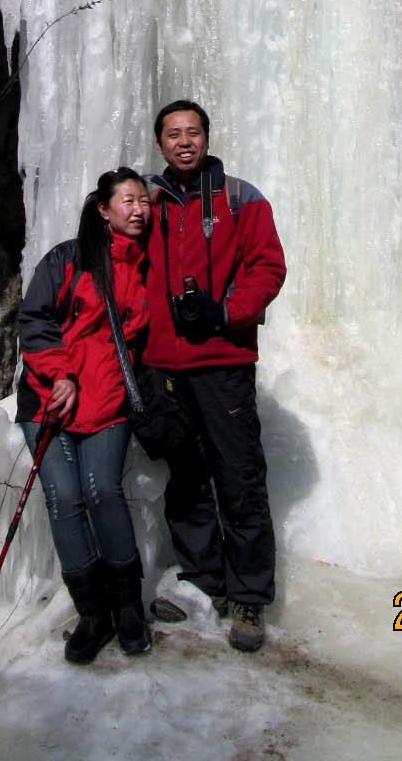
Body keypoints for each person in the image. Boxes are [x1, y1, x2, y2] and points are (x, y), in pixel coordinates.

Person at [144, 100, 286, 652]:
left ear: (206, 137)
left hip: (223, 363)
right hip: (162, 368)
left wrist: (226, 312)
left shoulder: (239, 198)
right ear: (160, 145)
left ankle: (249, 595)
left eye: (193, 132)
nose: (184, 142)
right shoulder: (148, 204)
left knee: (239, 477)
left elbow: (268, 266)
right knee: (185, 479)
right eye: (174, 134)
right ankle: (206, 582)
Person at [15, 167, 152, 662]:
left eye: (143, 201)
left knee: (103, 491)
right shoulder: (66, 260)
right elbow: (34, 318)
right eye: (128, 201)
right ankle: (93, 614)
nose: (138, 209)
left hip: (109, 400)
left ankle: (129, 608)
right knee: (64, 497)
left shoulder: (144, 268)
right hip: (49, 398)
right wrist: (61, 375)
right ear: (103, 209)